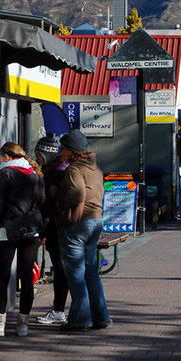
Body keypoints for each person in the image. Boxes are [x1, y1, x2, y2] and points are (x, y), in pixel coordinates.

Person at [0, 142, 45, 337]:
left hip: (6, 230)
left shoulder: (5, 173)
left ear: (8, 156)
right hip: (31, 231)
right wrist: (41, 231)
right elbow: (42, 203)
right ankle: (23, 326)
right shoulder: (34, 174)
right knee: (26, 278)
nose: (0, 160)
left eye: (1, 156)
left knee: (2, 278)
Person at [56, 129, 111, 332]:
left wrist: (58, 196)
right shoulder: (95, 168)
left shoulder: (74, 170)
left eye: (63, 149)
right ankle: (100, 316)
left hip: (77, 224)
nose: (60, 153)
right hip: (95, 221)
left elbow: (76, 194)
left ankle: (80, 319)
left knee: (76, 274)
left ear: (71, 151)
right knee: (90, 272)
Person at [34, 133, 70, 326]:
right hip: (57, 228)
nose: (38, 159)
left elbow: (49, 205)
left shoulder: (57, 173)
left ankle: (58, 310)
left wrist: (43, 231)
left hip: (56, 228)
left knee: (61, 269)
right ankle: (60, 309)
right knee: (62, 269)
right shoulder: (55, 170)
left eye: (39, 155)